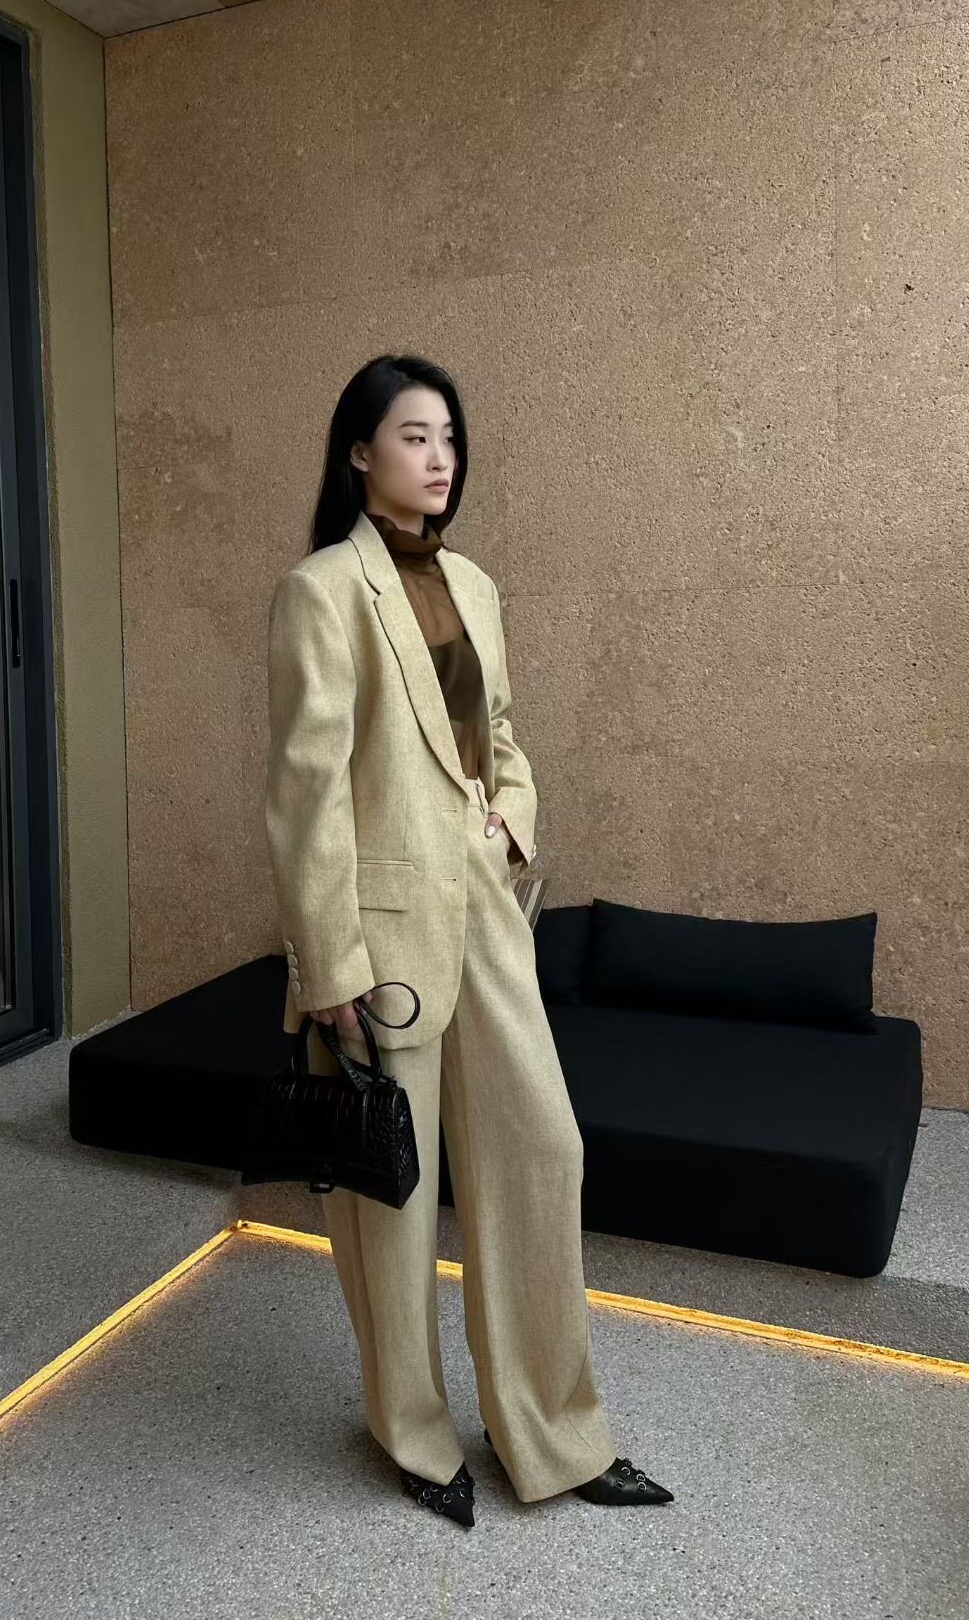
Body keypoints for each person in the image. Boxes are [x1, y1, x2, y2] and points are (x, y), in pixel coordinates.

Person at [263, 353, 673, 1529]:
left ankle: (554, 1430)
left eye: (449, 437)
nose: (439, 457)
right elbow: (306, 793)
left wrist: (511, 823)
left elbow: (503, 739)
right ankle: (413, 1433)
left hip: (486, 914)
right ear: (359, 452)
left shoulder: (478, 587)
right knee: (391, 1200)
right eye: (414, 435)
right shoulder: (322, 590)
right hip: (378, 937)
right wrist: (329, 967)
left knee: (543, 1151)